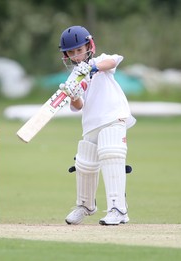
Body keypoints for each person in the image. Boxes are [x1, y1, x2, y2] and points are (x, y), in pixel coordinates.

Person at [58, 26, 136, 225]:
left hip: (113, 116)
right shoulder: (73, 77)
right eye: (72, 52)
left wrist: (92, 67)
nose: (77, 55)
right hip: (91, 123)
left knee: (111, 154)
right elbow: (78, 106)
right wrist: (73, 95)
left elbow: (114, 60)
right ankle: (85, 205)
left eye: (79, 50)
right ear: (66, 54)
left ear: (88, 46)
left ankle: (118, 209)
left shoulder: (100, 61)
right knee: (85, 163)